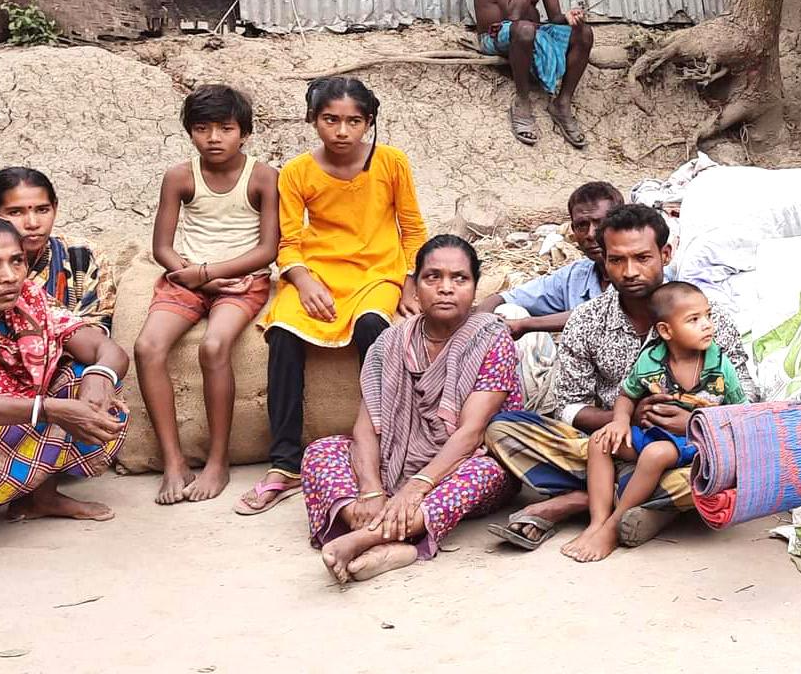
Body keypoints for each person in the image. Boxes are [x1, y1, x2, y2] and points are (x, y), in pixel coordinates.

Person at [484, 204, 756, 550]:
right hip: (608, 446)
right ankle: (637, 503)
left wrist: (695, 421)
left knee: (723, 471)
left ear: (665, 254)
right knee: (502, 429)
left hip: (686, 453)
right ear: (604, 260)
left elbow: (747, 401)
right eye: (617, 260)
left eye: (642, 258)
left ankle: (582, 502)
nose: (629, 271)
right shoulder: (586, 320)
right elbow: (568, 407)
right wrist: (622, 419)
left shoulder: (703, 315)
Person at [237, 77, 428, 516]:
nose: (342, 131)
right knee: (281, 332)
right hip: (318, 271)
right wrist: (301, 281)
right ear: (313, 119)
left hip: (378, 271)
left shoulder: (391, 162)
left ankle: (388, 443)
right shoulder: (299, 171)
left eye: (354, 121)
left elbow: (412, 229)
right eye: (331, 120)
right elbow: (288, 242)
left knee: (373, 329)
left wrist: (410, 280)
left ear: (369, 122)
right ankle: (285, 464)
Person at [302, 236, 522, 584]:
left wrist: (415, 487)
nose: (445, 288)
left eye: (459, 278)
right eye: (432, 277)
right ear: (415, 287)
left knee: (486, 472)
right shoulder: (389, 343)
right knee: (321, 451)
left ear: (474, 287)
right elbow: (365, 426)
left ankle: (365, 537)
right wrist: (372, 489)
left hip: (461, 463)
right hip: (394, 466)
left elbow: (471, 433)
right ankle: (399, 542)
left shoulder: (492, 340)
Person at [134, 85, 280, 505]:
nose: (214, 138)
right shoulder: (180, 177)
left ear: (244, 133)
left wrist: (210, 275)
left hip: (241, 281)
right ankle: (173, 459)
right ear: (189, 133)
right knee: (146, 347)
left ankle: (218, 461)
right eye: (202, 128)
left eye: (225, 128)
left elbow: (267, 249)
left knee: (214, 346)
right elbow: (162, 246)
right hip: (186, 278)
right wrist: (193, 275)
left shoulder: (263, 176)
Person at [0, 215, 129, 523]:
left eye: (17, 261)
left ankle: (41, 499)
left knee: (81, 376)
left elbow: (105, 349)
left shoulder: (29, 300)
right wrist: (47, 409)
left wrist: (100, 377)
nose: (9, 276)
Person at [561, 282, 746, 563]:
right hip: (654, 432)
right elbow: (627, 394)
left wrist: (698, 425)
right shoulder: (651, 360)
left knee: (655, 454)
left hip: (696, 442)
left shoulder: (720, 365)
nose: (707, 325)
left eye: (707, 316)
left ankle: (613, 526)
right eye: (694, 320)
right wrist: (620, 422)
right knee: (600, 441)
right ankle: (597, 522)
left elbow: (740, 412)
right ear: (665, 331)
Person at [474, 181, 623, 413]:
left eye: (601, 223)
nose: (592, 234)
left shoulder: (640, 271)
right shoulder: (576, 275)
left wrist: (527, 325)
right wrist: (476, 325)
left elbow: (605, 312)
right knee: (506, 314)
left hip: (618, 395)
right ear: (573, 231)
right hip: (572, 387)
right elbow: (504, 297)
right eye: (582, 225)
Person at [471, 0, 595, 149]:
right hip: (495, 35)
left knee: (584, 32)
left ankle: (562, 104)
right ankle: (522, 102)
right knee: (525, 28)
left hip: (531, 31)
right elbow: (512, 16)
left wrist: (569, 17)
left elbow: (554, 17)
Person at [0, 167, 117, 332]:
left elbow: (98, 325)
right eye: (16, 212)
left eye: (42, 210)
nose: (33, 223)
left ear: (55, 207)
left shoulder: (82, 256)